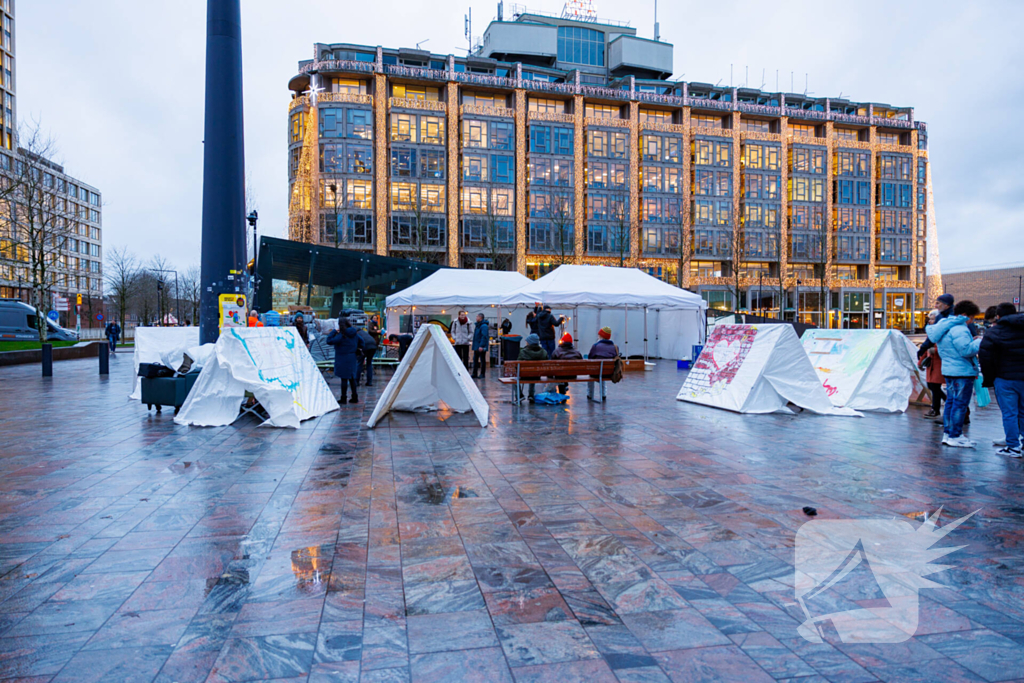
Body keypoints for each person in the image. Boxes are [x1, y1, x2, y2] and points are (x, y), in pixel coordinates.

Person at [927, 300, 983, 448]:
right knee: (960, 404)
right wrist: (979, 342)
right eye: (972, 318)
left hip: (949, 370)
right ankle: (955, 435)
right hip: (962, 371)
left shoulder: (946, 327)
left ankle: (948, 433)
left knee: (950, 403)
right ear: (965, 315)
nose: (972, 321)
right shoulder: (960, 329)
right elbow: (966, 350)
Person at [979, 303, 1024, 457]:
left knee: (1009, 413)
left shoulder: (995, 332)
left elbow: (985, 357)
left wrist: (989, 378)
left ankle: (1013, 446)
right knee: (1023, 412)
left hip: (1004, 377)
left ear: (998, 316)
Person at [328, 319, 363, 404]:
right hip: (352, 357)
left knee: (344, 378)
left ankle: (343, 398)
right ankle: (355, 397)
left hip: (342, 358)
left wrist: (333, 331)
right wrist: (356, 349)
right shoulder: (354, 334)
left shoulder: (342, 335)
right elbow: (362, 342)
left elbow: (329, 341)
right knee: (352, 378)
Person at [920, 311, 945, 419]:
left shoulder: (941, 333)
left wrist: (935, 350)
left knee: (934, 386)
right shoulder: (931, 334)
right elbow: (925, 349)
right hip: (932, 364)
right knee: (932, 385)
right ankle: (942, 403)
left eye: (933, 319)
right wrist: (920, 361)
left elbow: (946, 348)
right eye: (929, 319)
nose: (930, 321)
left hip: (938, 364)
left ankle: (935, 409)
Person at [587, 326, 619, 401]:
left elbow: (590, 358)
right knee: (603, 370)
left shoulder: (595, 346)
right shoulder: (615, 347)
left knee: (594, 373)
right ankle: (603, 394)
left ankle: (590, 394)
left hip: (596, 373)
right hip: (609, 373)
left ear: (601, 336)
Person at [517, 333, 548, 402]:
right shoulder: (543, 352)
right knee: (533, 373)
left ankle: (519, 395)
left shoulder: (523, 352)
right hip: (537, 375)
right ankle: (531, 395)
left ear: (530, 342)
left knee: (515, 378)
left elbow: (517, 365)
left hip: (524, 376)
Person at [471, 313, 489, 379]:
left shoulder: (484, 326)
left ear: (480, 318)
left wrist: (481, 346)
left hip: (480, 346)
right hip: (476, 346)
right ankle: (474, 373)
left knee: (482, 360)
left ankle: (482, 374)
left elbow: (484, 336)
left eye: (477, 316)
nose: (476, 317)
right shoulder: (478, 325)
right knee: (475, 360)